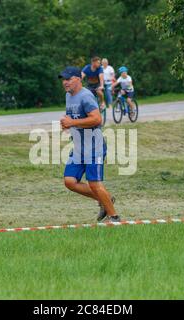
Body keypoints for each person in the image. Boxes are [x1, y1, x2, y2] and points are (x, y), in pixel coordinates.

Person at [59, 66, 119, 222]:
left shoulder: (86, 96)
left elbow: (97, 119)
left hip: (94, 146)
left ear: (78, 79)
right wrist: (67, 122)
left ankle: (114, 217)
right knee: (70, 181)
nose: (65, 82)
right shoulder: (68, 95)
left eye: (68, 79)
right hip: (79, 147)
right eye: (63, 80)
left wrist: (72, 122)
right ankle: (106, 199)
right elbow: (74, 116)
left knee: (94, 184)